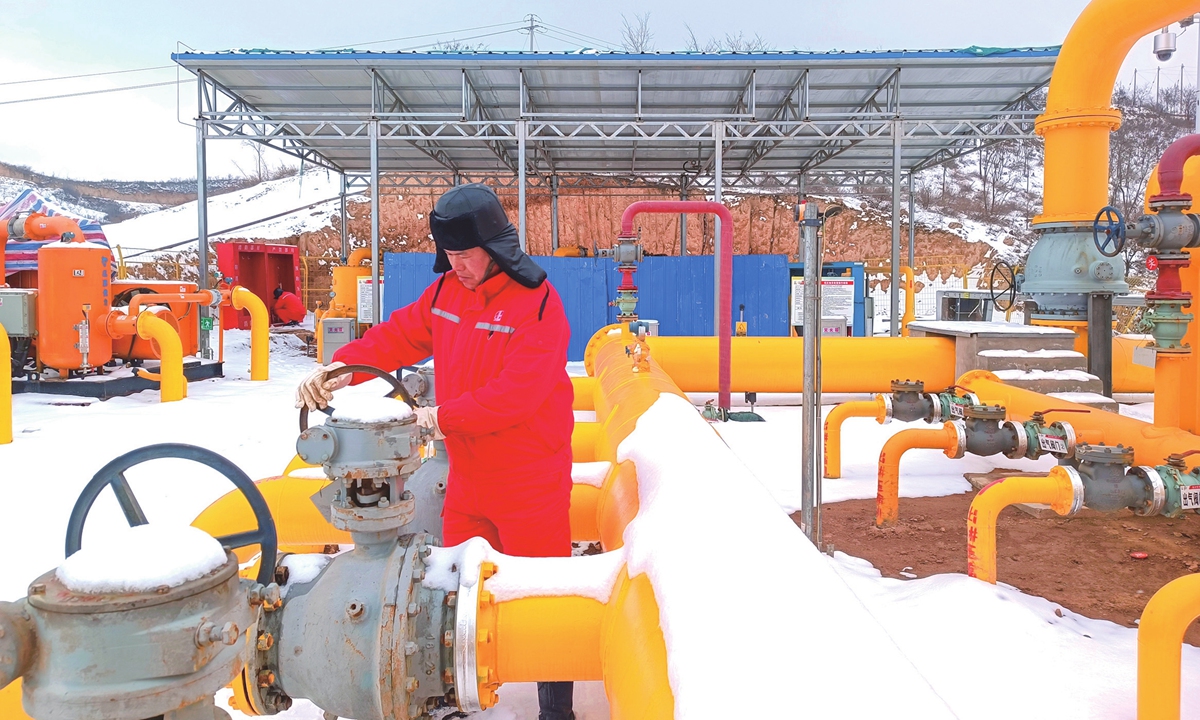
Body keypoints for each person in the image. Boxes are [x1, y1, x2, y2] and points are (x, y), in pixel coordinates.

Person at [295, 183, 575, 720]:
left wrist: (440, 418)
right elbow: (396, 337)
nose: (459, 266)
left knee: (545, 595)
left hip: (528, 479)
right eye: (449, 256)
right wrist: (339, 369)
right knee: (456, 592)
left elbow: (519, 393)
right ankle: (464, 698)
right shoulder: (445, 293)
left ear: (497, 248)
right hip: (467, 477)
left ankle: (555, 707)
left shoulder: (537, 303)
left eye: (467, 255)